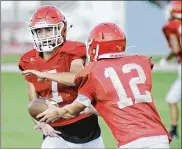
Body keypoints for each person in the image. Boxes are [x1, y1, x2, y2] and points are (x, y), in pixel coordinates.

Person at [36, 22, 172, 148]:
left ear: (94, 47)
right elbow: (122, 100)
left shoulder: (92, 71)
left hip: (132, 142)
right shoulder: (141, 61)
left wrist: (57, 112)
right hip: (160, 138)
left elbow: (72, 111)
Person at [19, 5, 104, 149]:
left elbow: (77, 77)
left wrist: (44, 74)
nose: (44, 35)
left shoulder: (73, 50)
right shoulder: (28, 60)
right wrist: (40, 121)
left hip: (87, 127)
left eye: (48, 29)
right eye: (39, 30)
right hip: (56, 131)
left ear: (61, 29)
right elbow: (34, 100)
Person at [159, 0, 181, 140]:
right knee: (171, 98)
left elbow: (176, 49)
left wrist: (166, 59)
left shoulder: (172, 25)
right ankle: (174, 130)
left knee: (171, 98)